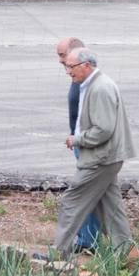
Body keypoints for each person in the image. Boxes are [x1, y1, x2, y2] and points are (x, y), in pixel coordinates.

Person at [46, 47, 134, 256]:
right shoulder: (94, 84)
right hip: (108, 157)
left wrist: (78, 139)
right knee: (111, 207)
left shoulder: (100, 88)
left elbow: (103, 129)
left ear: (86, 65)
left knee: (72, 200)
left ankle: (59, 252)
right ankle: (126, 253)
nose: (68, 71)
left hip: (101, 158)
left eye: (71, 66)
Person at [56, 37, 101, 250]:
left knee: (84, 193)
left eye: (63, 56)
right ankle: (92, 238)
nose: (61, 61)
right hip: (80, 143)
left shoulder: (89, 84)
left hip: (86, 145)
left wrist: (79, 139)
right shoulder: (78, 81)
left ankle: (87, 241)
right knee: (97, 194)